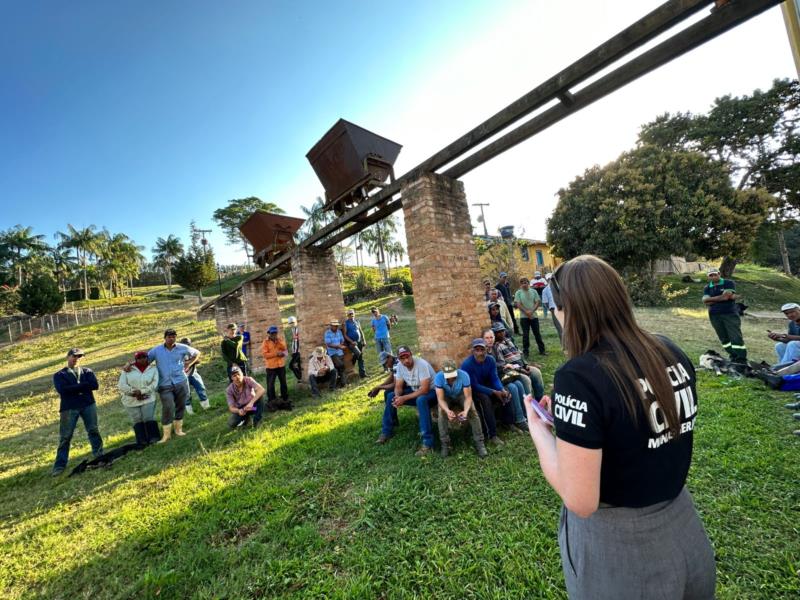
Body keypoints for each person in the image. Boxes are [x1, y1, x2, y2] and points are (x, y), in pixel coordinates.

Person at [525, 255, 715, 600]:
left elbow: (580, 499)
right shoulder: (670, 350)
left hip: (622, 549)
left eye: (554, 305)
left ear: (568, 309)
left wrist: (539, 431)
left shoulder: (578, 376)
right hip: (685, 528)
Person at [376, 346, 438, 456]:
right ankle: (387, 432)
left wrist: (404, 398)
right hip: (415, 391)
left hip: (431, 393)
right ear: (399, 359)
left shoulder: (421, 364)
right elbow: (398, 386)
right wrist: (397, 397)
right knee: (390, 396)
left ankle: (428, 443)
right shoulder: (399, 366)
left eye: (407, 357)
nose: (406, 360)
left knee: (421, 400)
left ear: (411, 354)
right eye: (402, 358)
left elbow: (424, 389)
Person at [52, 348, 104, 476]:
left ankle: (99, 455)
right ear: (68, 357)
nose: (76, 359)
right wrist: (83, 386)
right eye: (74, 356)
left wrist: (74, 388)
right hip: (69, 407)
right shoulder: (60, 375)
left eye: (79, 357)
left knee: (93, 430)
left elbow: (95, 385)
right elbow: (63, 390)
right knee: (65, 437)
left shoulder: (87, 371)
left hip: (88, 404)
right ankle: (59, 465)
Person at [147, 328, 200, 442]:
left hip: (180, 381)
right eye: (169, 337)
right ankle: (166, 435)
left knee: (181, 405)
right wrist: (131, 366)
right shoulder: (156, 350)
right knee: (168, 406)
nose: (171, 339)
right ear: (164, 338)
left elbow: (196, 353)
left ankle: (178, 430)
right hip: (164, 384)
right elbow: (145, 361)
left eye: (174, 336)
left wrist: (189, 363)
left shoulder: (182, 347)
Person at [460, 338, 511, 446]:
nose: (480, 353)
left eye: (482, 350)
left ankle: (508, 422)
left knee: (506, 392)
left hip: (486, 385)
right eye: (477, 350)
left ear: (486, 350)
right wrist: (493, 391)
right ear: (473, 351)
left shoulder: (491, 360)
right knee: (485, 399)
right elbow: (474, 385)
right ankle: (492, 435)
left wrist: (501, 389)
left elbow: (494, 378)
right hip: (472, 390)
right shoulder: (467, 365)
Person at [434, 359, 488, 458]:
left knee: (472, 411)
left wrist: (466, 411)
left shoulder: (464, 375)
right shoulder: (438, 377)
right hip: (447, 396)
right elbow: (440, 399)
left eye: (453, 374)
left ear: (457, 370)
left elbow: (468, 397)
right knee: (441, 412)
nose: (451, 377)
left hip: (460, 394)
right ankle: (445, 444)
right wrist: (447, 410)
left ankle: (479, 442)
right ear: (443, 372)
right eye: (448, 375)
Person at [483, 326, 529, 434]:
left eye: (491, 337)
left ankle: (525, 415)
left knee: (519, 384)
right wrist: (502, 365)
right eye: (487, 338)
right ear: (483, 339)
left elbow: (501, 363)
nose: (490, 340)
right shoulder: (483, 351)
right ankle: (519, 420)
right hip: (492, 381)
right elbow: (495, 366)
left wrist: (502, 365)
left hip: (500, 376)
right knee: (512, 387)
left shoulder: (495, 348)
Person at [489, 322, 545, 402]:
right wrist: (521, 370)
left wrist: (526, 365)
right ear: (495, 334)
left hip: (522, 366)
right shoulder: (497, 347)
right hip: (512, 371)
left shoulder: (509, 341)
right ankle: (529, 405)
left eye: (502, 331)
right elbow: (504, 365)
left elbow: (519, 354)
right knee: (526, 379)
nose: (501, 333)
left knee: (536, 372)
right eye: (498, 332)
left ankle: (540, 400)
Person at [702, 267, 747, 363]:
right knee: (723, 337)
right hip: (714, 315)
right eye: (711, 275)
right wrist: (722, 297)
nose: (713, 277)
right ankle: (733, 356)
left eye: (715, 274)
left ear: (719, 274)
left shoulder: (728, 283)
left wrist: (712, 299)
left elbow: (725, 297)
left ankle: (741, 358)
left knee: (735, 336)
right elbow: (706, 302)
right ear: (708, 277)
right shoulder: (707, 287)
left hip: (729, 314)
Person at [118, 350, 159, 445]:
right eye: (139, 358)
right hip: (130, 400)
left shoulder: (153, 369)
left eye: (144, 357)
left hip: (148, 398)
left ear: (147, 358)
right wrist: (134, 392)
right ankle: (142, 440)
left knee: (148, 417)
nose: (142, 359)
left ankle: (154, 437)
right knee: (137, 419)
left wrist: (142, 391)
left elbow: (154, 383)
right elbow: (121, 385)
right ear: (135, 359)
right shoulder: (127, 370)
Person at [514, 277, 546, 356]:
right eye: (522, 283)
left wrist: (531, 311)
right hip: (524, 317)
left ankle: (542, 350)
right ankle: (526, 352)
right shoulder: (518, 293)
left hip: (534, 316)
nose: (524, 284)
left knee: (537, 333)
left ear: (528, 283)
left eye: (525, 282)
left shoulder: (534, 291)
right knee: (525, 335)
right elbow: (518, 304)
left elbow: (537, 302)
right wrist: (527, 312)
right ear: (520, 285)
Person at [262, 325, 291, 411]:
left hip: (280, 365)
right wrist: (276, 354)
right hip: (271, 367)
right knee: (270, 385)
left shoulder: (280, 340)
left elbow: (285, 349)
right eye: (272, 333)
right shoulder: (265, 342)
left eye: (275, 333)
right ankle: (272, 400)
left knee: (283, 383)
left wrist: (279, 343)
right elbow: (265, 355)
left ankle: (285, 398)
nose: (274, 335)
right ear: (269, 334)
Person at [180, 337, 210, 414]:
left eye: (188, 344)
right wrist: (189, 361)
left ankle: (206, 406)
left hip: (193, 373)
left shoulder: (192, 351)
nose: (187, 346)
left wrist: (189, 362)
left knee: (201, 388)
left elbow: (198, 360)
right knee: (186, 393)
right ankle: (190, 411)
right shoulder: (178, 353)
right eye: (185, 344)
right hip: (182, 376)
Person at [344, 309, 367, 378]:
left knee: (361, 358)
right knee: (358, 353)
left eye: (352, 314)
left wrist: (364, 340)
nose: (351, 315)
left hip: (359, 341)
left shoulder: (357, 321)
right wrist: (351, 341)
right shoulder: (346, 323)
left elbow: (361, 331)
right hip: (352, 343)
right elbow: (345, 335)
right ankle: (352, 362)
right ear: (347, 315)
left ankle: (362, 374)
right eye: (350, 314)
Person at [324, 319, 347, 386]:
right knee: (341, 366)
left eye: (337, 326)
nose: (336, 327)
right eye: (334, 326)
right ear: (331, 326)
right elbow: (328, 344)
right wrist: (338, 346)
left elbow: (342, 340)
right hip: (333, 353)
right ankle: (343, 383)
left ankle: (342, 383)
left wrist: (341, 345)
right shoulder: (327, 333)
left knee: (339, 368)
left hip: (340, 352)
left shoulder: (339, 331)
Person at [541, 273, 563, 342]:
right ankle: (564, 346)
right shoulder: (545, 290)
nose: (551, 280)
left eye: (552, 279)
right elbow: (545, 302)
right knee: (560, 328)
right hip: (554, 309)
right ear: (547, 280)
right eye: (549, 279)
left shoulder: (561, 287)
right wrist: (551, 309)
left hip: (563, 308)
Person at [287, 316, 302, 381]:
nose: (291, 324)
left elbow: (299, 340)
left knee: (292, 365)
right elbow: (294, 341)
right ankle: (300, 378)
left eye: (292, 322)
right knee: (298, 365)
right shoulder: (293, 329)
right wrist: (292, 351)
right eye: (290, 323)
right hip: (295, 351)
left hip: (298, 351)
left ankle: (300, 378)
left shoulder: (298, 328)